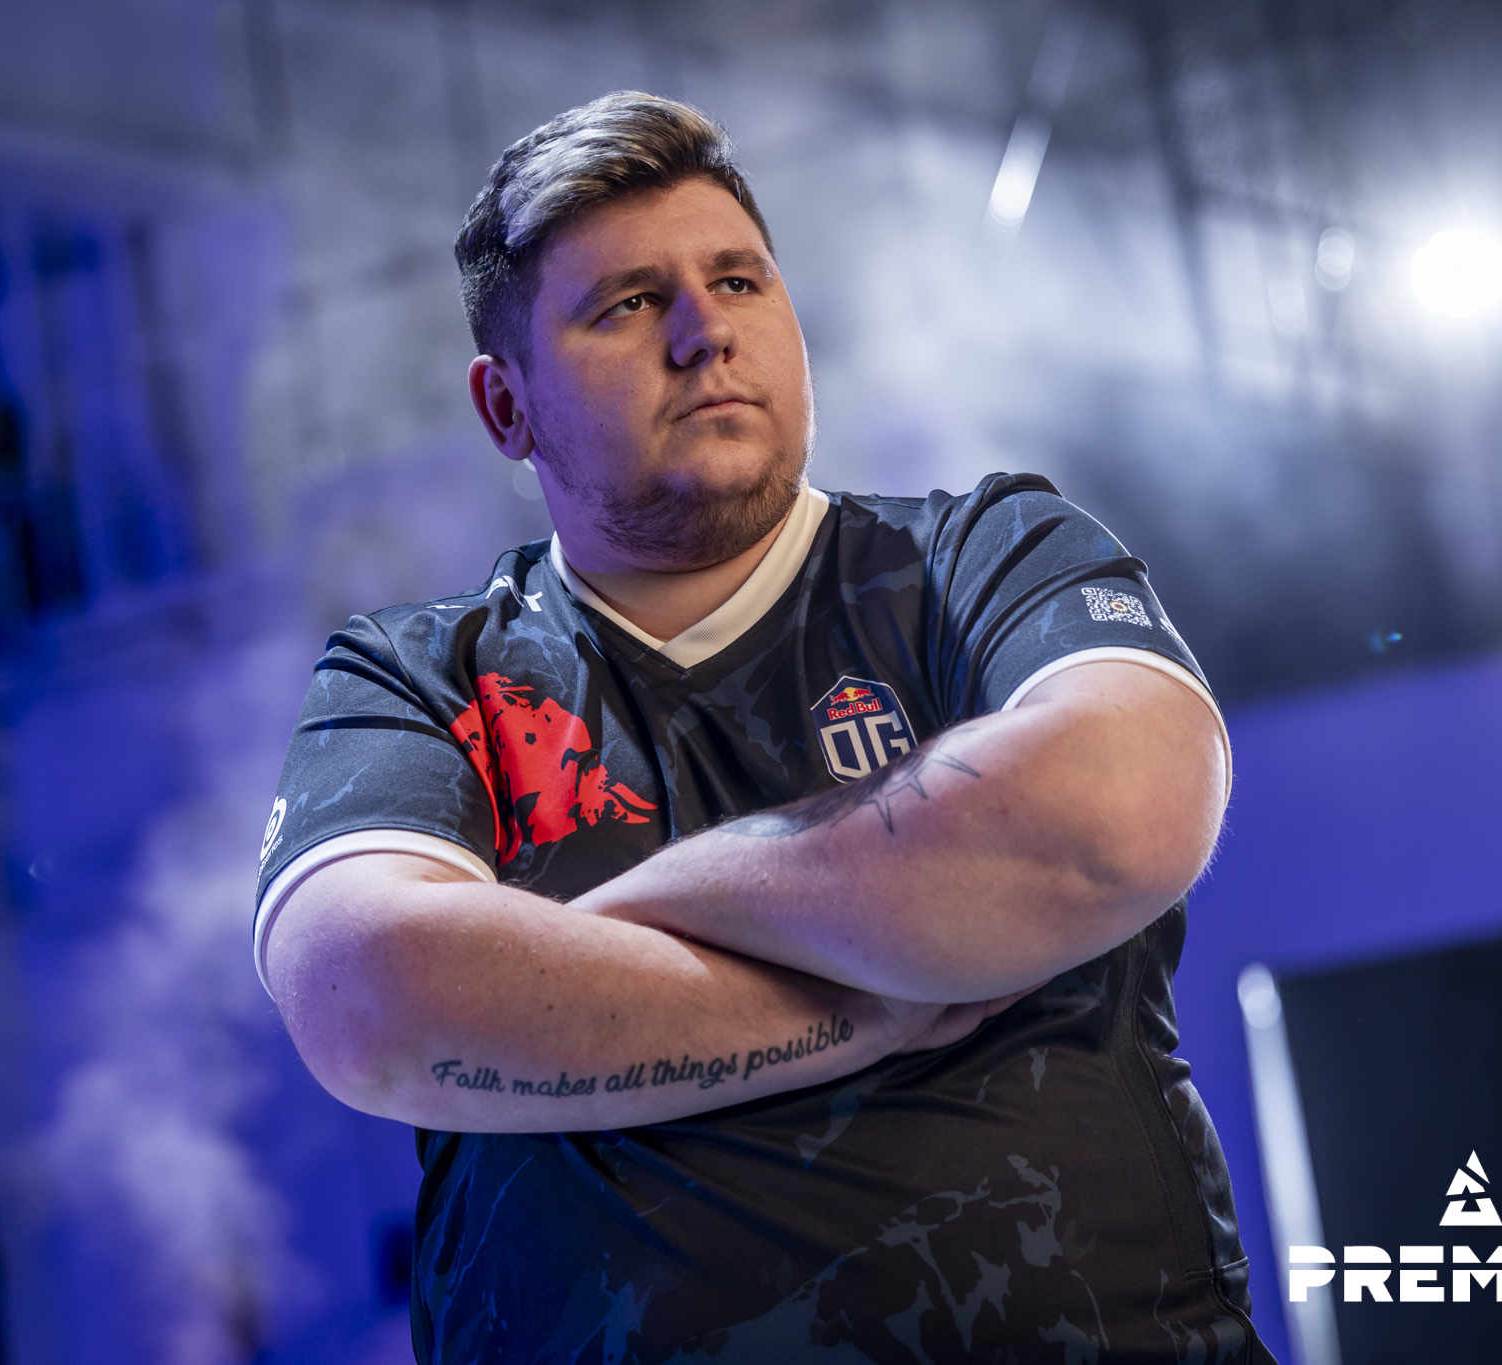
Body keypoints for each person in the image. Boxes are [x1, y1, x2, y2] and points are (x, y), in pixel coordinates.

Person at [254, 91, 1272, 1363]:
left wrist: (592, 943)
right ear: (505, 408)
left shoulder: (985, 557)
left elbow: (1113, 814)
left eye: (736, 280)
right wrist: (864, 999)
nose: (703, 334)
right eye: (627, 305)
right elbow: (368, 1001)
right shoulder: (418, 678)